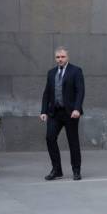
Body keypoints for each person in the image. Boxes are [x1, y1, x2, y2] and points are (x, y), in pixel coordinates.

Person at [40, 47, 85, 181]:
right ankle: (57, 170)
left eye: (62, 57)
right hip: (55, 112)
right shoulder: (51, 73)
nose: (60, 59)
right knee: (50, 138)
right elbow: (47, 93)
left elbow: (80, 91)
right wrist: (43, 111)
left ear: (67, 57)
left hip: (70, 113)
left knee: (73, 142)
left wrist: (77, 109)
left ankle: (76, 170)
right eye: (58, 57)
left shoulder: (76, 71)